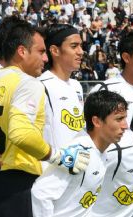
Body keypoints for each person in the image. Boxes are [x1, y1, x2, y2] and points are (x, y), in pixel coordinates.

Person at [0, 18, 89, 217]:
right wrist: (58, 156)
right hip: (15, 185)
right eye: (40, 51)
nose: (45, 58)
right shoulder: (29, 83)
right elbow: (21, 134)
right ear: (22, 51)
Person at [32, 90, 129, 217]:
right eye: (119, 119)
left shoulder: (101, 151)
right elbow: (40, 193)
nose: (125, 125)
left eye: (125, 118)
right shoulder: (79, 152)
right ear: (96, 121)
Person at [38, 24, 85, 154]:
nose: (81, 51)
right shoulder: (41, 85)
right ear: (54, 50)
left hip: (78, 166)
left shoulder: (76, 85)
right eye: (74, 46)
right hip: (53, 168)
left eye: (81, 46)